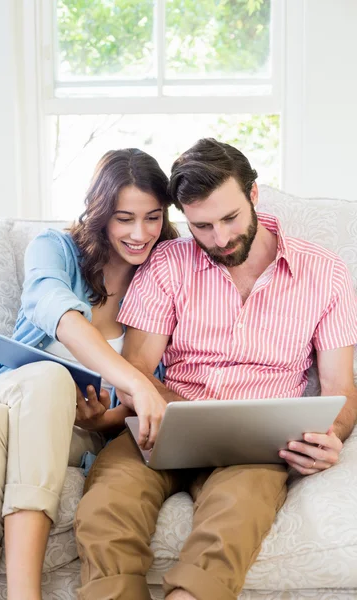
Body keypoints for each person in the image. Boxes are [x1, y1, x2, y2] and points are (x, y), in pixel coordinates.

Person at [75, 138, 357, 600]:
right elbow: (137, 368)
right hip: (161, 425)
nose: (221, 239)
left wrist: (332, 436)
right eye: (202, 226)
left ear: (254, 195)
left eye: (230, 219)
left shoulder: (324, 273)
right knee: (104, 512)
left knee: (233, 521)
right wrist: (181, 412)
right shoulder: (167, 262)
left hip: (255, 444)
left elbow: (341, 388)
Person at [0, 147, 177, 600]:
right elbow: (52, 307)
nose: (140, 234)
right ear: (100, 213)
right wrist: (131, 380)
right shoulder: (54, 249)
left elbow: (158, 390)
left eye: (152, 218)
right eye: (124, 218)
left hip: (77, 433)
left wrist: (110, 418)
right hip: (1, 394)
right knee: (42, 381)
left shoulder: (166, 273)